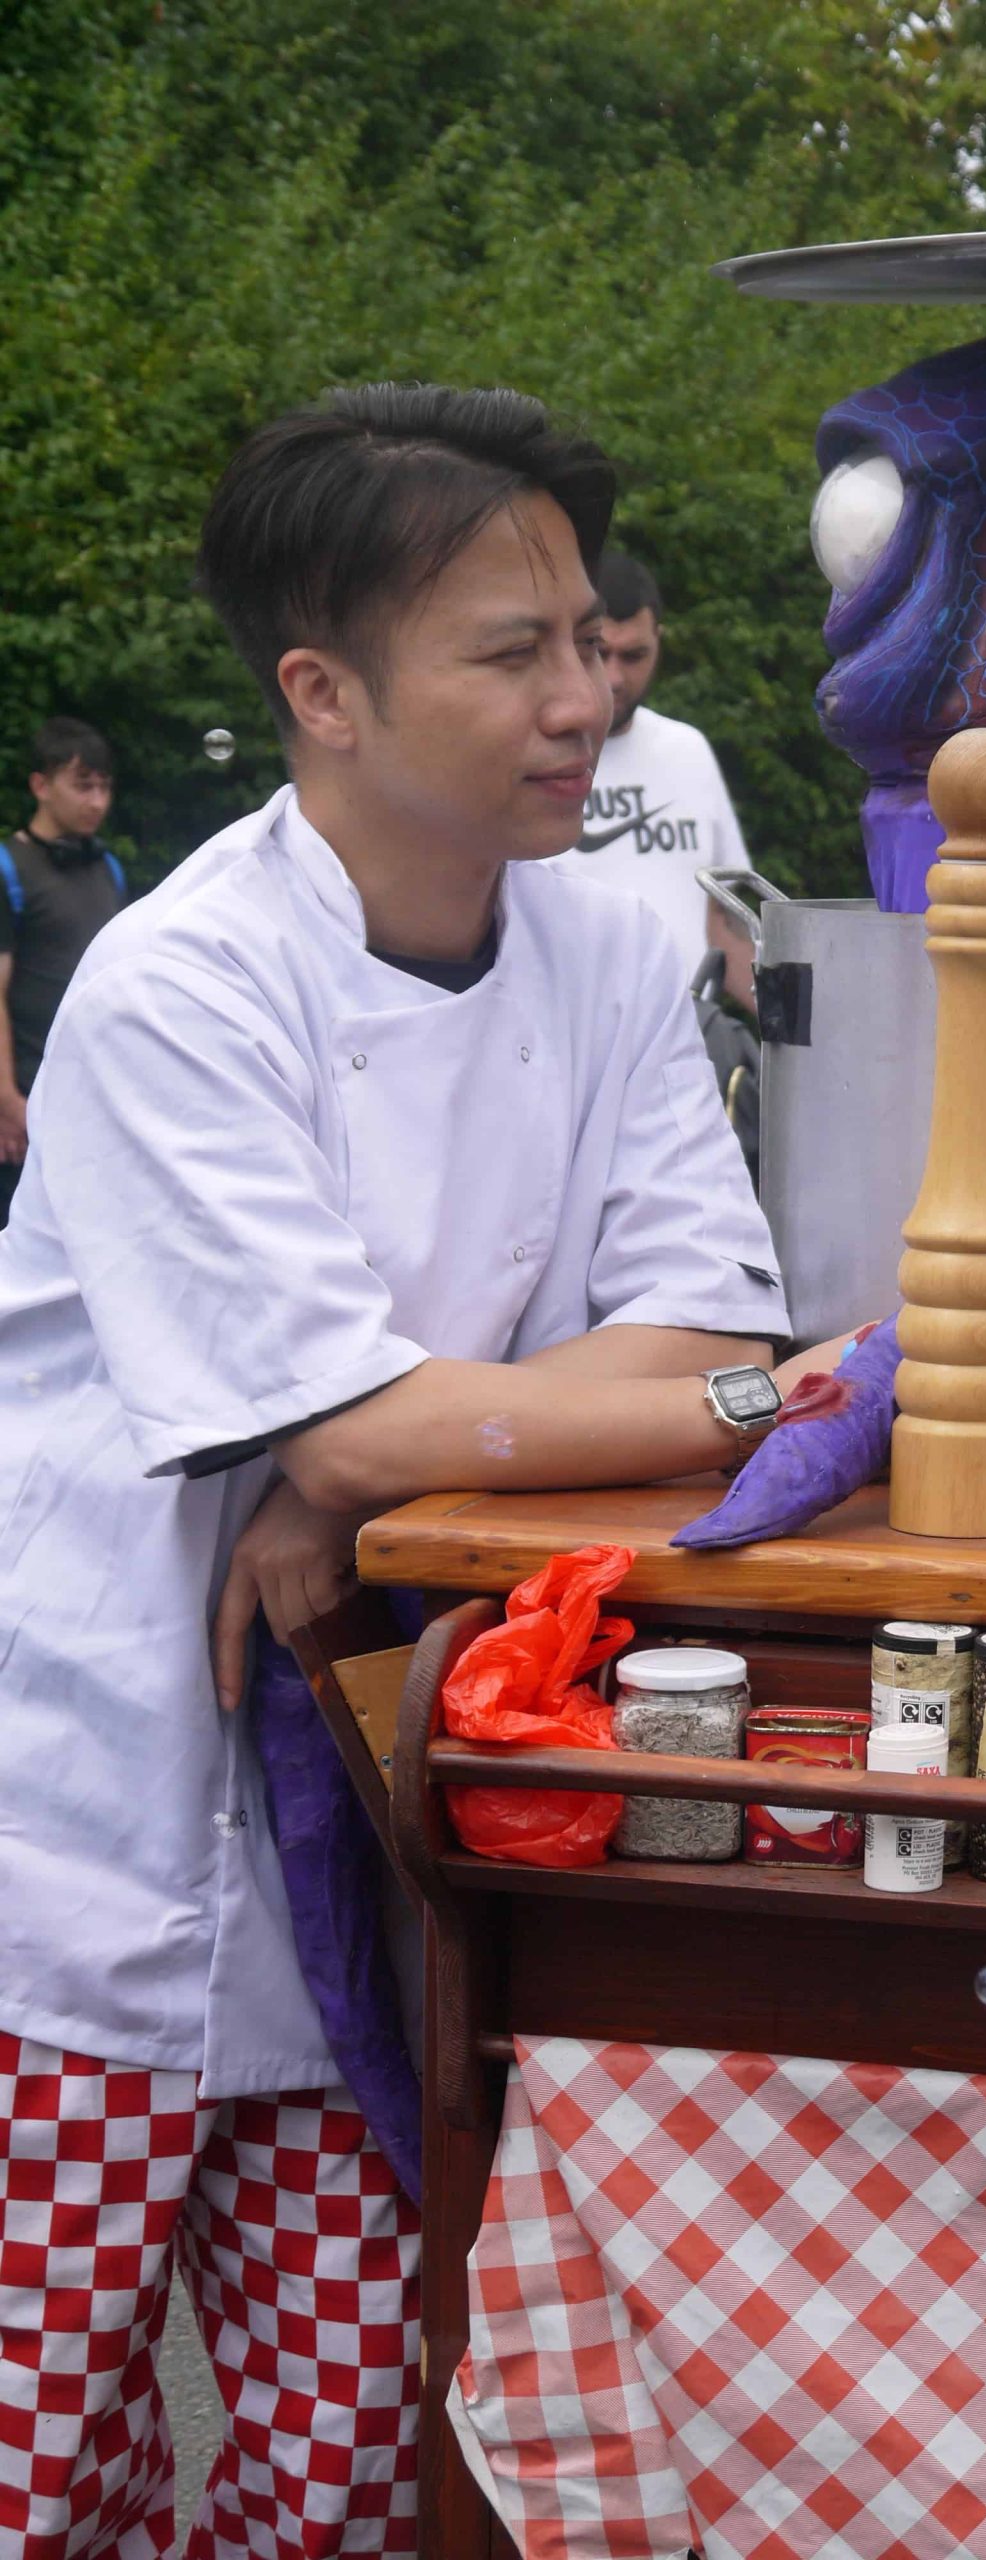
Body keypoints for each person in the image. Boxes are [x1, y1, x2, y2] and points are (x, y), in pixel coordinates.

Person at [0, 382, 844, 2556]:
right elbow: (429, 1412)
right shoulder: (184, 983)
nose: (583, 701)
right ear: (325, 693)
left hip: (366, 1801)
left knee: (366, 2445)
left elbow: (700, 1322)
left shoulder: (606, 945)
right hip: (79, 1818)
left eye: (585, 640)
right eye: (511, 653)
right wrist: (700, 1413)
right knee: (41, 2459)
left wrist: (355, 1474)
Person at [550, 547, 751, 983]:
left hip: (691, 1020)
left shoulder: (687, 750)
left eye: (634, 655)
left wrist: (794, 1017)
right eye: (599, 652)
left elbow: (717, 922)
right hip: (570, 1021)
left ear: (659, 639)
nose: (615, 678)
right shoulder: (535, 757)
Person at [0, 716, 126, 1221]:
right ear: (41, 785)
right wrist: (6, 1099)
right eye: (82, 785)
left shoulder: (107, 868)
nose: (97, 801)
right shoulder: (8, 868)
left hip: (94, 1094)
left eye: (104, 787)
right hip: (25, 1098)